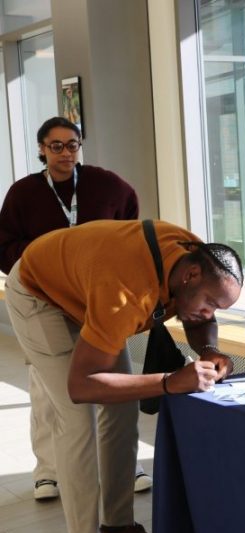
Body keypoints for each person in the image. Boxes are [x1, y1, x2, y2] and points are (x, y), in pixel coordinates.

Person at [3, 219, 243, 533]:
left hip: (87, 289)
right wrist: (167, 382)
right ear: (191, 275)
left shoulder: (197, 259)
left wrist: (210, 349)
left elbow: (197, 316)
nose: (211, 313)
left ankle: (117, 528)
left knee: (122, 408)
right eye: (211, 303)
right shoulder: (127, 293)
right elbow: (81, 386)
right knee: (75, 418)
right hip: (39, 295)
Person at [0, 116, 155, 501]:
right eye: (56, 146)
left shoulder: (107, 184)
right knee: (48, 391)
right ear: (41, 149)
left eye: (72, 145)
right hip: (43, 302)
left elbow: (129, 233)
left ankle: (123, 465)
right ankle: (47, 471)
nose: (65, 153)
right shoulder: (23, 193)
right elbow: (4, 246)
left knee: (112, 386)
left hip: (97, 303)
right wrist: (45, 262)